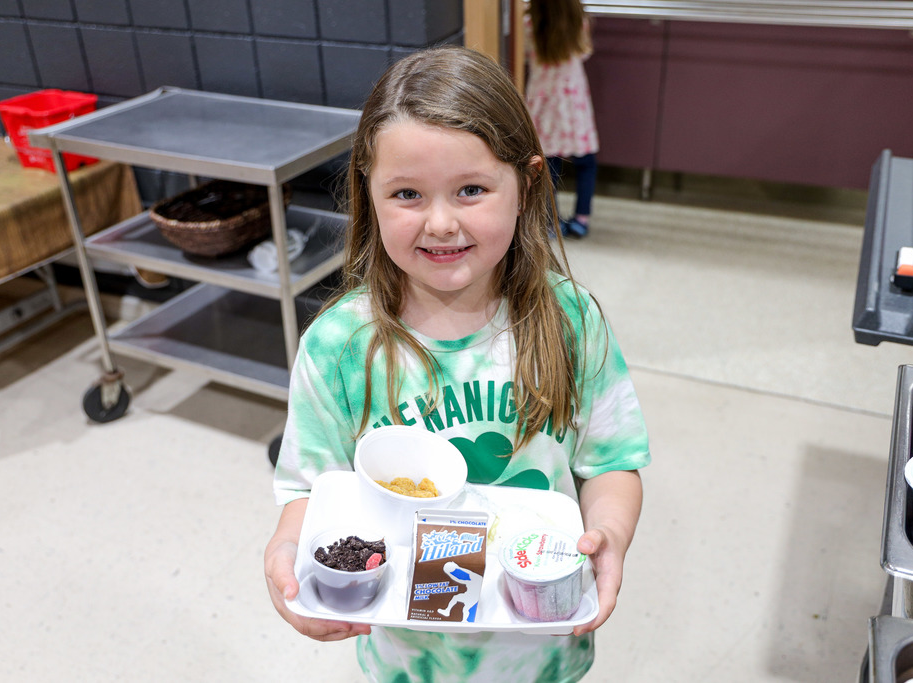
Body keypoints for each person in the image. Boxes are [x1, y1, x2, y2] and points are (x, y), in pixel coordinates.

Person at [264, 46, 650, 683]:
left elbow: (612, 463)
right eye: (407, 194)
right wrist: (286, 551)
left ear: (525, 185)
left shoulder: (571, 321)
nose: (441, 223)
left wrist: (608, 531)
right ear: (369, 191)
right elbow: (312, 490)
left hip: (542, 648)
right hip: (405, 661)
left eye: (471, 189)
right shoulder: (338, 346)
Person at [525, 0, 599, 239]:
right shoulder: (579, 22)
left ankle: (550, 222)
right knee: (586, 161)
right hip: (572, 101)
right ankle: (581, 219)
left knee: (548, 164)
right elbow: (584, 51)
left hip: (542, 98)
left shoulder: (530, 23)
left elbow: (527, 54)